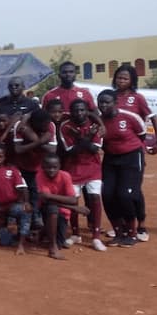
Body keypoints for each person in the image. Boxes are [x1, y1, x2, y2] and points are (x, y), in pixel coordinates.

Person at [112, 64, 157, 241]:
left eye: (125, 78)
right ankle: (123, 225)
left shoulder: (137, 98)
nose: (121, 81)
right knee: (116, 190)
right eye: (119, 77)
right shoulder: (111, 97)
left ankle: (141, 225)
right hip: (114, 152)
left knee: (133, 190)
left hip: (134, 150)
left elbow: (153, 118)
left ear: (132, 81)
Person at [98, 89, 148, 248]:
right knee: (107, 194)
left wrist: (133, 150)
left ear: (115, 103)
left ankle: (132, 233)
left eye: (107, 102)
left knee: (125, 195)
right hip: (110, 159)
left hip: (131, 158)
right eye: (101, 102)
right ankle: (119, 232)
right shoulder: (99, 121)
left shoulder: (129, 117)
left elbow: (142, 135)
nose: (103, 105)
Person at [59, 99, 107, 251]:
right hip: (73, 168)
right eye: (76, 110)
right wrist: (87, 137)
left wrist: (79, 138)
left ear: (87, 111)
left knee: (95, 197)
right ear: (71, 112)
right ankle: (75, 234)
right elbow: (71, 151)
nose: (79, 113)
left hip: (92, 167)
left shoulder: (95, 125)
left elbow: (94, 149)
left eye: (82, 110)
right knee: (73, 200)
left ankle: (96, 237)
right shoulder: (65, 126)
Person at [37, 154, 91, 260]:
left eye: (54, 167)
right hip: (45, 209)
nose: (51, 170)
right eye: (48, 167)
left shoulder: (65, 176)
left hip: (63, 211)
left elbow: (73, 200)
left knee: (60, 243)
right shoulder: (40, 176)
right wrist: (74, 208)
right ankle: (52, 248)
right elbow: (46, 201)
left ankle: (45, 231)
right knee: (52, 208)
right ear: (43, 167)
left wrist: (50, 196)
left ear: (59, 166)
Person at [0, 144, 31, 255]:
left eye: (0, 156)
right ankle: (11, 231)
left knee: (25, 211)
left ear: (4, 157)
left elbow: (23, 188)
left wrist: (26, 202)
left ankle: (21, 244)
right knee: (5, 242)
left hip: (13, 205)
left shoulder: (12, 170)